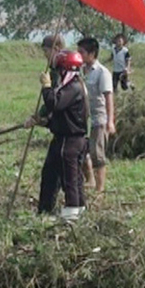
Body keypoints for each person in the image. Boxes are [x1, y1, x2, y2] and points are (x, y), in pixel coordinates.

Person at [25, 50, 88, 221]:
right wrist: (41, 121)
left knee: (71, 178)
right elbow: (62, 118)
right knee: (50, 175)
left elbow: (54, 103)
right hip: (61, 138)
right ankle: (45, 209)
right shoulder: (69, 87)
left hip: (70, 141)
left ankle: (73, 214)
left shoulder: (74, 87)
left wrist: (46, 86)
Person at [77, 37, 115, 194]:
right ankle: (90, 181)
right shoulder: (80, 70)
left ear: (92, 53)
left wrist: (110, 121)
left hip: (98, 118)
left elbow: (108, 97)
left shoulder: (102, 72)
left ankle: (100, 189)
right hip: (83, 117)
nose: (79, 55)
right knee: (82, 151)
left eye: (82, 52)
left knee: (97, 153)